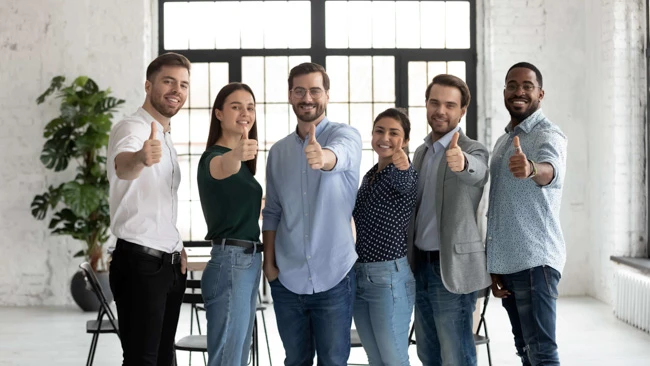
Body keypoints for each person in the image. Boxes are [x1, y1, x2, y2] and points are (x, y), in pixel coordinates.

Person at [261, 62, 362, 365]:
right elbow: (273, 211)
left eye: (315, 90)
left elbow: (340, 155)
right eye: (300, 91)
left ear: (327, 95)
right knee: (295, 360)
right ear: (290, 95)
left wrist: (323, 157)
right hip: (287, 279)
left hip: (334, 275)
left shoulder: (346, 135)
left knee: (333, 361)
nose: (307, 98)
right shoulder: (278, 152)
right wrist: (269, 266)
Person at [107, 52, 190, 366]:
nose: (176, 90)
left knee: (165, 358)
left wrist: (176, 244)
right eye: (168, 81)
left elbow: (158, 202)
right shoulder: (133, 128)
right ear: (148, 85)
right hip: (140, 264)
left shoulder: (165, 136)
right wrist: (140, 158)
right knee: (143, 359)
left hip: (166, 265)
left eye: (183, 84)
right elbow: (123, 166)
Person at [407, 74, 492, 366]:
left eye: (449, 105)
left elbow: (478, 171)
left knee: (456, 356)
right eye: (434, 102)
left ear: (462, 111)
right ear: (426, 105)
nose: (440, 110)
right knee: (427, 354)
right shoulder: (420, 153)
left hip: (452, 270)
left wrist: (463, 163)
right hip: (420, 267)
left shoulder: (473, 150)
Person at [487, 62, 567, 366]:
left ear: (540, 93)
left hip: (536, 262)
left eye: (527, 86)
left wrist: (533, 168)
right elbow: (499, 205)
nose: (518, 91)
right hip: (508, 264)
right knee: (525, 349)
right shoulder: (504, 141)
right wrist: (495, 263)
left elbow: (551, 170)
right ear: (505, 91)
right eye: (511, 85)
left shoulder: (549, 134)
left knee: (542, 352)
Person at [197, 82, 263, 366]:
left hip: (248, 262)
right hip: (231, 262)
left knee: (236, 357)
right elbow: (225, 166)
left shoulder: (246, 169)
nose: (244, 113)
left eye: (250, 107)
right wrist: (237, 154)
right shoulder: (213, 158)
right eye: (235, 106)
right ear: (219, 114)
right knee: (227, 358)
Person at [352, 108, 417, 365]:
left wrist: (405, 165)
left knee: (394, 360)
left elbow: (408, 183)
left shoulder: (402, 172)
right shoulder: (371, 175)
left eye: (394, 133)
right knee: (375, 359)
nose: (385, 137)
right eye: (380, 130)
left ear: (406, 140)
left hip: (388, 278)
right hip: (360, 276)